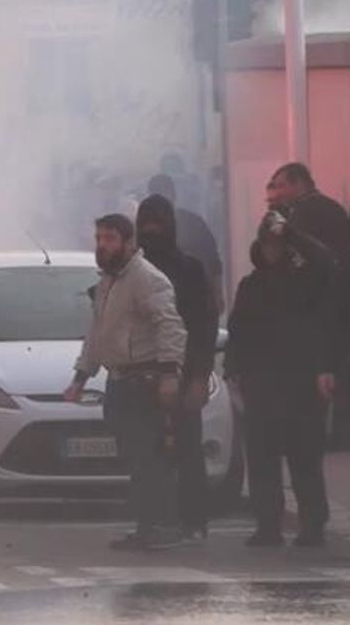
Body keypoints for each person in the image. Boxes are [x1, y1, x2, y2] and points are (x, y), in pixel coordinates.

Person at [65, 214, 187, 551]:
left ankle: (163, 526)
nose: (102, 245)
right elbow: (97, 333)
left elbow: (169, 325)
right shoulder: (109, 281)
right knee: (136, 458)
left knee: (151, 457)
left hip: (144, 381)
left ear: (129, 242)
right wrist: (81, 377)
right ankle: (146, 526)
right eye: (99, 238)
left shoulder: (146, 278)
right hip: (119, 381)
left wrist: (169, 374)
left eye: (110, 238)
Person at [226, 213, 336, 548]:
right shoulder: (252, 285)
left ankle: (312, 525)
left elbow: (324, 261)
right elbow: (237, 330)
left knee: (305, 458)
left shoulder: (306, 281)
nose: (271, 251)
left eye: (277, 245)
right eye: (267, 245)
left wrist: (293, 233)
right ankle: (268, 525)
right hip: (261, 384)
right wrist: (233, 368)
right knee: (262, 458)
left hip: (301, 383)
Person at [136, 196, 219, 543]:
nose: (151, 230)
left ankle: (193, 520)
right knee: (147, 453)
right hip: (141, 374)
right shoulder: (132, 271)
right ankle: (154, 520)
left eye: (157, 223)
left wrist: (199, 376)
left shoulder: (189, 269)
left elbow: (204, 326)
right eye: (145, 223)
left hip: (184, 372)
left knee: (187, 449)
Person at [266, 162, 350, 451]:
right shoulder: (333, 208)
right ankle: (341, 433)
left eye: (281, 185)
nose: (278, 192)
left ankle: (315, 434)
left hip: (317, 303)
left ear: (298, 183)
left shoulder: (303, 213)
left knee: (316, 368)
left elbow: (297, 259)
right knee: (341, 366)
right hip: (341, 299)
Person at [147, 174, 224, 314]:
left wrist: (217, 294)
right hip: (160, 303)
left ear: (173, 195)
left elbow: (213, 260)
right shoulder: (145, 230)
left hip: (196, 297)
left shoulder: (193, 223)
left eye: (165, 194)